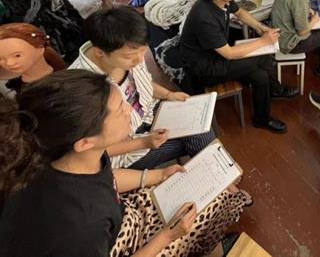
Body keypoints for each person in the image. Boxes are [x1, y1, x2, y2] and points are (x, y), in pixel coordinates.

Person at [0, 70, 247, 256]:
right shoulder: (80, 226)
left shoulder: (63, 155)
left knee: (210, 192)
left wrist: (158, 176)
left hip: (120, 217)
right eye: (120, 109)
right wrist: (167, 236)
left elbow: (106, 180)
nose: (130, 110)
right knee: (212, 202)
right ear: (84, 142)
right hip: (118, 244)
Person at [69, 6, 215, 169]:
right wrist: (143, 142)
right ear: (99, 52)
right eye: (130, 57)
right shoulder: (80, 90)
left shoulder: (128, 51)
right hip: (126, 148)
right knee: (198, 139)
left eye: (143, 51)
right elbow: (89, 150)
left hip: (149, 116)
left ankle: (216, 172)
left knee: (200, 124)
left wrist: (168, 94)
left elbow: (141, 84)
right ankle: (218, 175)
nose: (139, 60)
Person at [180, 0, 298, 134]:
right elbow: (229, 54)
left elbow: (240, 12)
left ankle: (261, 118)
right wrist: (263, 41)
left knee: (260, 75)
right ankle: (276, 90)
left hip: (217, 54)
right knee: (263, 57)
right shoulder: (204, 17)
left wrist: (260, 27)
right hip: (205, 69)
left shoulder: (222, 0)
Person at [0, 23, 66, 97]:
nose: (9, 63)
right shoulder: (19, 89)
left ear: (40, 47)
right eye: (0, 59)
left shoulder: (63, 81)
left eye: (17, 55)